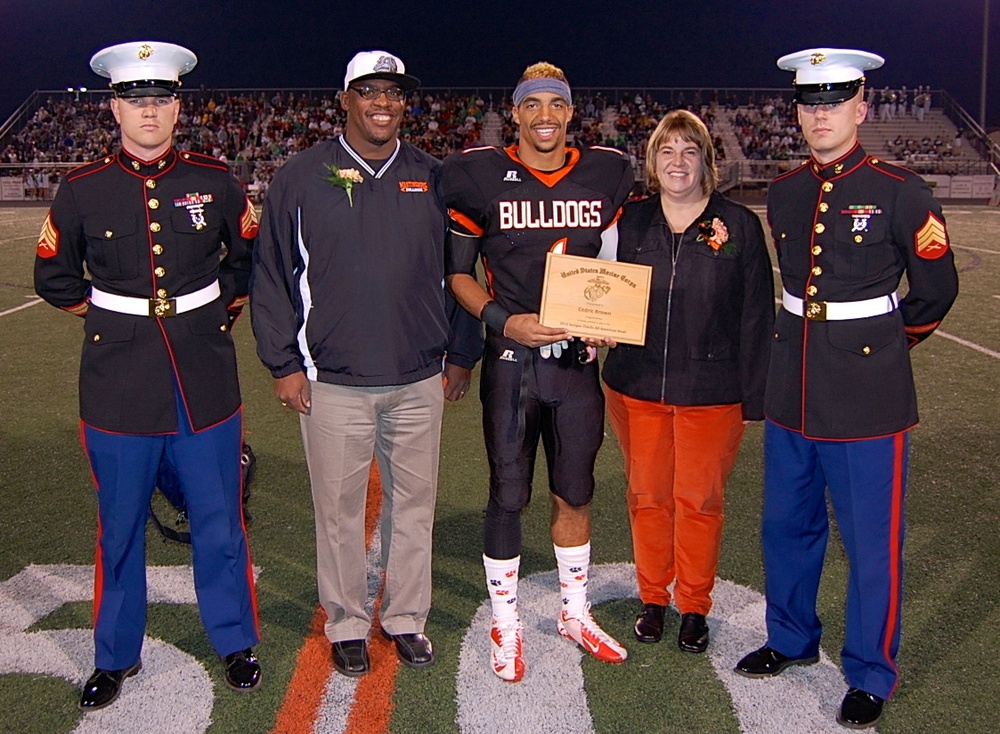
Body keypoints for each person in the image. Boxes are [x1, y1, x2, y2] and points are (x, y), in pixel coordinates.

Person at [33, 41, 263, 711]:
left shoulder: (215, 179)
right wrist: (115, 317)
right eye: (136, 100)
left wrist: (216, 314)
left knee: (220, 523)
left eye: (161, 99)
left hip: (203, 377)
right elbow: (53, 276)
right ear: (114, 108)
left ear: (177, 106)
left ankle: (235, 639)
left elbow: (244, 258)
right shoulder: (81, 190)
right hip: (116, 381)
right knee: (119, 526)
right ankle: (113, 655)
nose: (150, 111)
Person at [733, 49, 959, 730]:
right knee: (785, 528)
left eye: (835, 101)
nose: (821, 114)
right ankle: (791, 637)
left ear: (862, 107)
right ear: (798, 113)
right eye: (810, 103)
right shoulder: (788, 188)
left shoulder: (901, 190)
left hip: (868, 394)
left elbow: (936, 291)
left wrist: (882, 352)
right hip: (792, 384)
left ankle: (870, 671)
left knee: (871, 543)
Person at [251, 50, 481, 678]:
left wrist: (461, 353)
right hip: (332, 382)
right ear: (345, 98)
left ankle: (407, 618)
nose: (384, 103)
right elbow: (272, 275)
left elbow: (462, 273)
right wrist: (283, 364)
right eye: (370, 91)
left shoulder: (436, 176)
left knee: (415, 507)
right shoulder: (300, 176)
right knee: (339, 511)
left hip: (417, 378)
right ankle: (347, 622)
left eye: (395, 93)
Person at [442, 61, 634, 682]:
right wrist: (506, 319)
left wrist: (611, 316)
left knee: (576, 490)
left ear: (571, 112)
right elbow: (459, 274)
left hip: (578, 364)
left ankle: (574, 612)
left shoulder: (608, 171)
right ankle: (507, 619)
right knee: (508, 494)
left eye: (557, 103)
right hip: (510, 362)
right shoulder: (477, 175)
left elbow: (615, 257)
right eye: (534, 105)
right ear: (516, 113)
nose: (546, 115)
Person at [601, 110, 773, 652]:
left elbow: (755, 316)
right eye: (667, 151)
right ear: (653, 162)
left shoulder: (739, 225)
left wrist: (754, 396)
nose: (678, 162)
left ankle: (693, 604)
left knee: (699, 501)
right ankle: (653, 596)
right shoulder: (628, 222)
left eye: (689, 151)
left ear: (706, 161)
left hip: (713, 390)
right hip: (637, 384)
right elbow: (599, 290)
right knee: (648, 495)